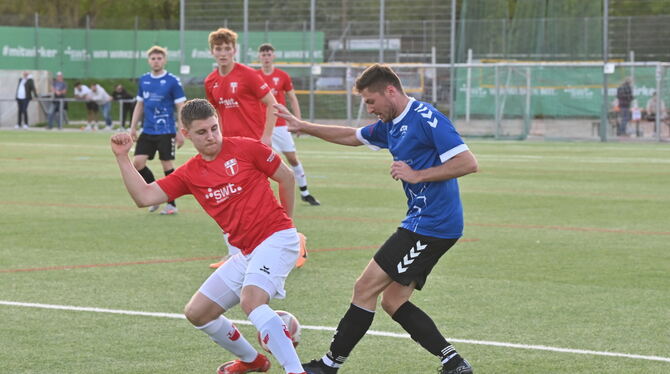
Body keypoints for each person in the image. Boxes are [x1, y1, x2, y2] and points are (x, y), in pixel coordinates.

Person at [274, 64, 478, 374]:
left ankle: (329, 366)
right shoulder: (390, 123)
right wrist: (303, 125)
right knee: (392, 301)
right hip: (423, 222)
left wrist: (417, 174)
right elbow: (351, 136)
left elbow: (467, 162)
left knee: (365, 288)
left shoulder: (425, 118)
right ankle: (454, 362)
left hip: (432, 225)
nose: (369, 109)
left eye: (371, 101)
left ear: (391, 91)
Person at [109, 98, 306, 374]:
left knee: (252, 302)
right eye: (202, 132)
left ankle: (297, 371)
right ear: (186, 134)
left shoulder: (247, 149)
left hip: (276, 237)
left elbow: (285, 178)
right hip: (246, 252)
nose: (211, 136)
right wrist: (122, 157)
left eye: (215, 128)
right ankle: (253, 361)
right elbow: (145, 196)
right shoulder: (190, 173)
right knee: (197, 312)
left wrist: (287, 228)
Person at [204, 28, 279, 267]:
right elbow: (213, 115)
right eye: (219, 49)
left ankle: (285, 244)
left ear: (234, 50)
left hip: (253, 148)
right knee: (226, 199)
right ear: (212, 52)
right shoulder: (211, 81)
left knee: (258, 202)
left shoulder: (248, 75)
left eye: (227, 48)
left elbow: (272, 104)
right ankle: (234, 252)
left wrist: (266, 137)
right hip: (226, 149)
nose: (223, 53)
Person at [257, 43, 320, 206]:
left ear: (274, 56)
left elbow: (292, 98)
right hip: (262, 127)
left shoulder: (282, 76)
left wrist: (298, 122)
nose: (266, 57)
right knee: (261, 163)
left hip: (280, 125)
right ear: (259, 57)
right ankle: (261, 198)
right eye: (263, 54)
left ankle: (305, 192)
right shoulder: (254, 76)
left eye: (268, 54)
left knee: (292, 158)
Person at [129, 45, 186, 215]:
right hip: (148, 130)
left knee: (167, 164)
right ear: (149, 61)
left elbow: (180, 106)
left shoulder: (172, 81)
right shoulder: (144, 80)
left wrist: (181, 129)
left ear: (165, 60)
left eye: (159, 58)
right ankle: (154, 196)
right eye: (153, 58)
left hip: (166, 130)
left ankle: (171, 205)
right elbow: (140, 104)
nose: (156, 61)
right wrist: (133, 127)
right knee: (138, 163)